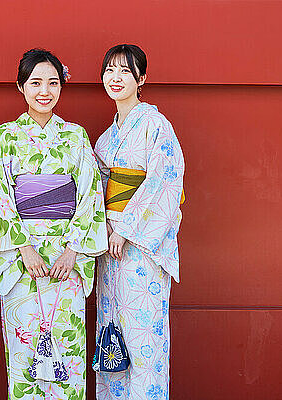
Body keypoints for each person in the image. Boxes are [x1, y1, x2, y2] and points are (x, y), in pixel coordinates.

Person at [0, 48, 107, 399]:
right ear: (21, 87)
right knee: (24, 356)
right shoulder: (6, 136)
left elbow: (89, 195)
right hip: (23, 260)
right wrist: (24, 248)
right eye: (35, 82)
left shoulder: (76, 136)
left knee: (68, 352)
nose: (45, 91)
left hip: (65, 261)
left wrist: (72, 251)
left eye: (53, 82)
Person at [94, 44, 185, 399]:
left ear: (141, 79)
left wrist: (126, 229)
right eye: (110, 71)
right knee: (113, 337)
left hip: (140, 248)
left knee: (145, 339)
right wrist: (103, 226)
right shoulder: (106, 137)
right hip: (109, 244)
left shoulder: (154, 125)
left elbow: (166, 179)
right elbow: (95, 189)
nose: (116, 79)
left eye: (126, 72)